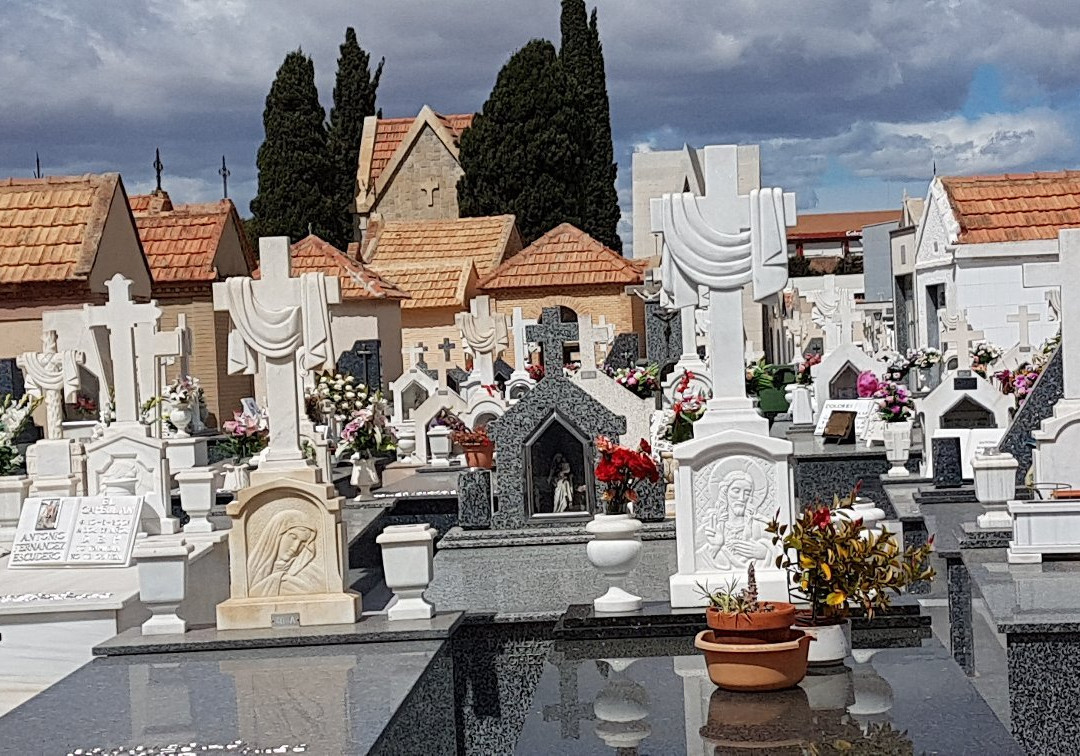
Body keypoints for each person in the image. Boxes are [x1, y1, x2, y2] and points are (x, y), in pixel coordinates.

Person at [697, 469, 769, 570]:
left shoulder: (760, 527)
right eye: (736, 491)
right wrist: (715, 547)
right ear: (725, 493)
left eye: (747, 492)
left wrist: (766, 552)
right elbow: (691, 558)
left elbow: (783, 549)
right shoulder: (712, 527)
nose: (741, 498)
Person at [247, 510, 325, 597]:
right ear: (277, 535)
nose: (295, 548)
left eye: (303, 543)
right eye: (293, 537)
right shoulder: (251, 570)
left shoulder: (312, 574)